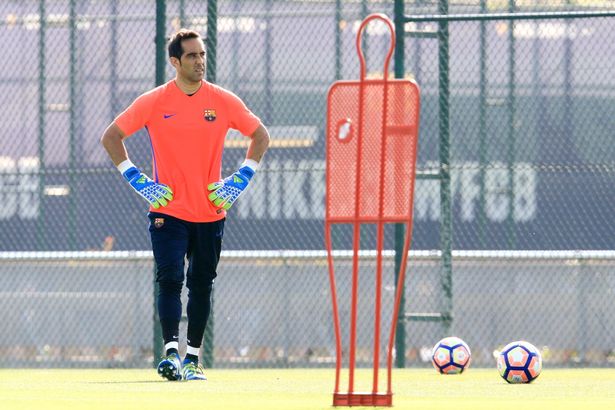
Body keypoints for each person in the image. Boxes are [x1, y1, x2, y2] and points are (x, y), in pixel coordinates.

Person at [100, 29, 270, 381]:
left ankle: (193, 360)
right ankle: (171, 355)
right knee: (170, 279)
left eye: (202, 54)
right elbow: (111, 136)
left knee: (202, 283)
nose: (200, 61)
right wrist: (137, 179)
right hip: (167, 210)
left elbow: (260, 135)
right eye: (191, 56)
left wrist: (240, 179)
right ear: (175, 62)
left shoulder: (222, 100)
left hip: (210, 211)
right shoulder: (154, 101)